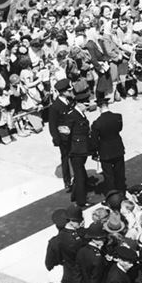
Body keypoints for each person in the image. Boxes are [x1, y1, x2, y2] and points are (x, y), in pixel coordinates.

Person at [64, 79, 93, 208]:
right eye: (86, 104)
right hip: (76, 150)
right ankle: (81, 201)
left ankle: (75, 195)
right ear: (80, 103)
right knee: (80, 176)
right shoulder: (72, 115)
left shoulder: (79, 114)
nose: (87, 107)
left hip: (82, 149)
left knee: (79, 174)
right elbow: (65, 133)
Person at [91, 95, 126, 196]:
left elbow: (94, 141)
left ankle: (113, 196)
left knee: (108, 176)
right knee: (120, 173)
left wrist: (94, 152)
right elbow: (119, 129)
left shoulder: (97, 124)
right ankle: (122, 193)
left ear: (99, 107)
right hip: (118, 148)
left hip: (105, 151)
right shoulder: (118, 117)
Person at [47, 78, 75, 192]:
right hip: (64, 138)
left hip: (73, 135)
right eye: (68, 91)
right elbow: (52, 125)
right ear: (63, 92)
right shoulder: (55, 106)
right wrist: (57, 139)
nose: (70, 92)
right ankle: (67, 181)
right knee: (65, 158)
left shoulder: (70, 101)